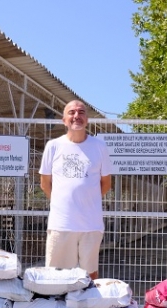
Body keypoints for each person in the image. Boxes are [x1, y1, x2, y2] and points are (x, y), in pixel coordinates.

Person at [39, 100, 113, 279]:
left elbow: (106, 183)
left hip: (91, 225)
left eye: (81, 112)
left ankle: (89, 307)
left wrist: (87, 201)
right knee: (56, 277)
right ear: (64, 120)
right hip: (61, 225)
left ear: (87, 120)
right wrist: (61, 202)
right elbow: (45, 183)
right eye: (71, 112)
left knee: (90, 276)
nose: (76, 116)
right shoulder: (53, 146)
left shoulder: (99, 147)